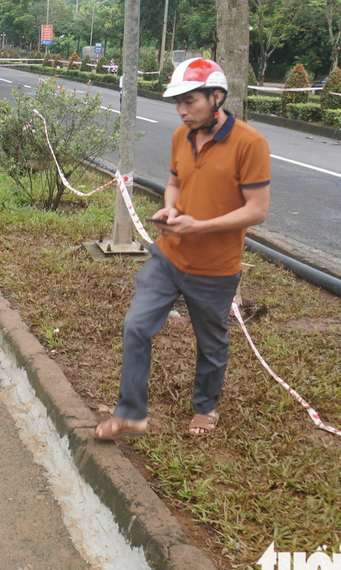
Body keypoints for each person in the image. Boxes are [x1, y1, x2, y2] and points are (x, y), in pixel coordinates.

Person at [95, 57, 271, 440]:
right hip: (169, 255)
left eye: (189, 101)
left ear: (216, 97)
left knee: (211, 343)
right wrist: (171, 208)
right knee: (136, 326)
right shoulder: (181, 136)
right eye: (177, 102)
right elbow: (174, 182)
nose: (181, 110)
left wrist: (200, 226)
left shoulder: (250, 143)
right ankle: (130, 413)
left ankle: (205, 409)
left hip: (216, 268)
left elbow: (257, 211)